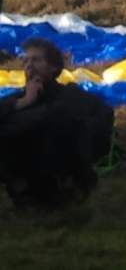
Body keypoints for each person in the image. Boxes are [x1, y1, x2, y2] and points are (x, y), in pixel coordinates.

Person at [0, 37, 113, 208]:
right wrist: (23, 103)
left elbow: (101, 117)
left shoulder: (70, 96)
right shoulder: (19, 98)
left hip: (59, 171)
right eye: (26, 61)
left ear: (53, 67)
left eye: (36, 60)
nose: (29, 66)